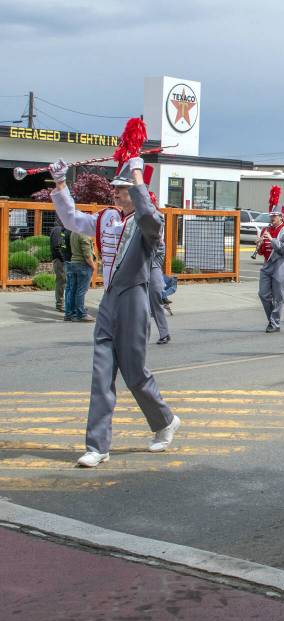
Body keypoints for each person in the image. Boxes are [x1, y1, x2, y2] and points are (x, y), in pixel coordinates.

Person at [49, 126, 181, 467]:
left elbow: (151, 217)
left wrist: (136, 175)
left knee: (136, 374)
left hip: (135, 299)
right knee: (101, 373)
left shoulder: (147, 222)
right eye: (117, 190)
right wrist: (61, 185)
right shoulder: (107, 217)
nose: (116, 195)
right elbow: (71, 218)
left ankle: (165, 421)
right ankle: (97, 445)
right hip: (109, 299)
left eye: (122, 191)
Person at [256, 186, 284, 333]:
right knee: (263, 294)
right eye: (271, 216)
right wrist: (259, 245)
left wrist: (272, 239)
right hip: (267, 265)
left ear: (281, 217)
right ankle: (272, 319)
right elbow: (262, 252)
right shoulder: (266, 229)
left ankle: (274, 322)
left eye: (275, 216)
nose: (272, 218)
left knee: (278, 296)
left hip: (280, 265)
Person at [63, 229, 96, 322]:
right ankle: (81, 314)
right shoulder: (84, 234)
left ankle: (70, 313)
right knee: (81, 291)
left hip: (74, 263)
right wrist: (93, 266)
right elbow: (87, 255)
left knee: (73, 290)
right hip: (83, 265)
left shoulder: (73, 232)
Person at [148, 227, 171, 344]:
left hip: (153, 278)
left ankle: (164, 334)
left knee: (156, 307)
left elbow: (145, 255)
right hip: (140, 277)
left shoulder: (160, 245)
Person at [49, 222, 67, 313]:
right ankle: (60, 305)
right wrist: (64, 259)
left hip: (61, 260)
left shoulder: (61, 229)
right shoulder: (58, 230)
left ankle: (64, 304)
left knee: (64, 282)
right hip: (60, 261)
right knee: (62, 282)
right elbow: (57, 247)